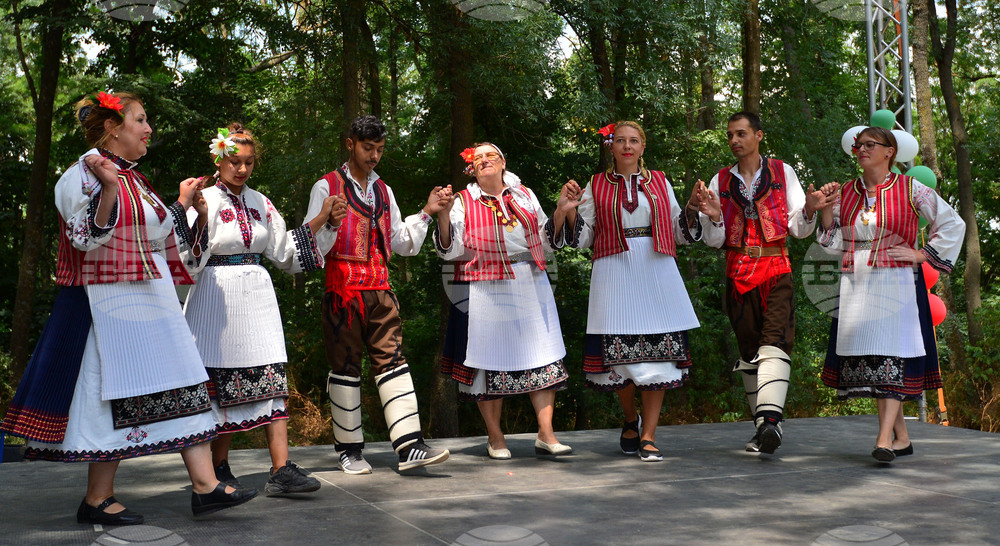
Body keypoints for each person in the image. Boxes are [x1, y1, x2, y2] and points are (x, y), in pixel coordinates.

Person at [1, 91, 257, 525]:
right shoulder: (82, 175)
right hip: (110, 307)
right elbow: (83, 238)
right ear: (112, 128)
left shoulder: (135, 179)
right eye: (140, 120)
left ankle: (205, 485)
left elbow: (157, 238)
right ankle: (98, 498)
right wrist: (108, 189)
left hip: (152, 303)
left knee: (186, 382)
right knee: (114, 397)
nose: (148, 129)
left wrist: (187, 208)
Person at [182, 123, 345, 494]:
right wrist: (201, 216)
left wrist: (323, 218)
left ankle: (281, 469)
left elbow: (285, 252)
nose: (242, 169)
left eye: (249, 162)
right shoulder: (203, 199)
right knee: (220, 384)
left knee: (272, 379)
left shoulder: (261, 203)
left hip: (257, 298)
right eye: (235, 161)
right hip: (215, 299)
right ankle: (218, 468)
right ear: (218, 159)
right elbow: (187, 257)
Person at [305, 115, 450, 473]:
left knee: (393, 362)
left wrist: (428, 212)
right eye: (367, 148)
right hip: (342, 292)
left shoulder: (384, 190)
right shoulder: (326, 186)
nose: (373, 156)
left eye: (380, 150)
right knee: (345, 368)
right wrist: (330, 222)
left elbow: (400, 242)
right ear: (350, 144)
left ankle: (409, 447)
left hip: (381, 292)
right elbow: (312, 248)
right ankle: (349, 450)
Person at [551, 121, 700, 461]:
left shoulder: (660, 181)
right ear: (611, 147)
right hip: (614, 272)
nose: (627, 146)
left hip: (657, 269)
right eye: (620, 140)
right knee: (621, 359)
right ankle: (630, 418)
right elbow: (585, 237)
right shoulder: (596, 184)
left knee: (659, 359)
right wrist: (569, 213)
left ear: (643, 147)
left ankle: (649, 435)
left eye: (634, 141)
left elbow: (678, 230)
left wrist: (691, 206)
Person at [816, 126, 965, 463]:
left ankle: (883, 440)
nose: (862, 149)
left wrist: (922, 254)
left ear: (889, 151)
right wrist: (824, 209)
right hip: (857, 284)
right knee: (875, 363)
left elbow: (953, 224)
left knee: (892, 357)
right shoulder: (846, 192)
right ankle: (902, 437)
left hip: (896, 281)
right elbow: (831, 244)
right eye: (858, 145)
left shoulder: (912, 189)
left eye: (870, 144)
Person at [694, 111, 831, 454]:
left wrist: (810, 209)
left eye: (741, 134)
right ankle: (763, 428)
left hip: (776, 268)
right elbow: (714, 240)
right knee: (749, 352)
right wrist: (714, 217)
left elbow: (798, 228)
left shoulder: (783, 172)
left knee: (775, 342)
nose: (734, 140)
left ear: (758, 135)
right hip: (738, 272)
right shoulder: (719, 180)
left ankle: (770, 421)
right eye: (730, 135)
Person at [435, 142, 572, 460]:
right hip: (486, 286)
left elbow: (546, 238)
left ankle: (546, 434)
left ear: (503, 162)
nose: (485, 161)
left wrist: (561, 211)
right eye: (478, 158)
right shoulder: (463, 201)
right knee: (487, 359)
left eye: (491, 156)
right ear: (471, 168)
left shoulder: (524, 194)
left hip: (530, 280)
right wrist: (443, 216)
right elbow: (451, 249)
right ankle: (496, 438)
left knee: (542, 354)